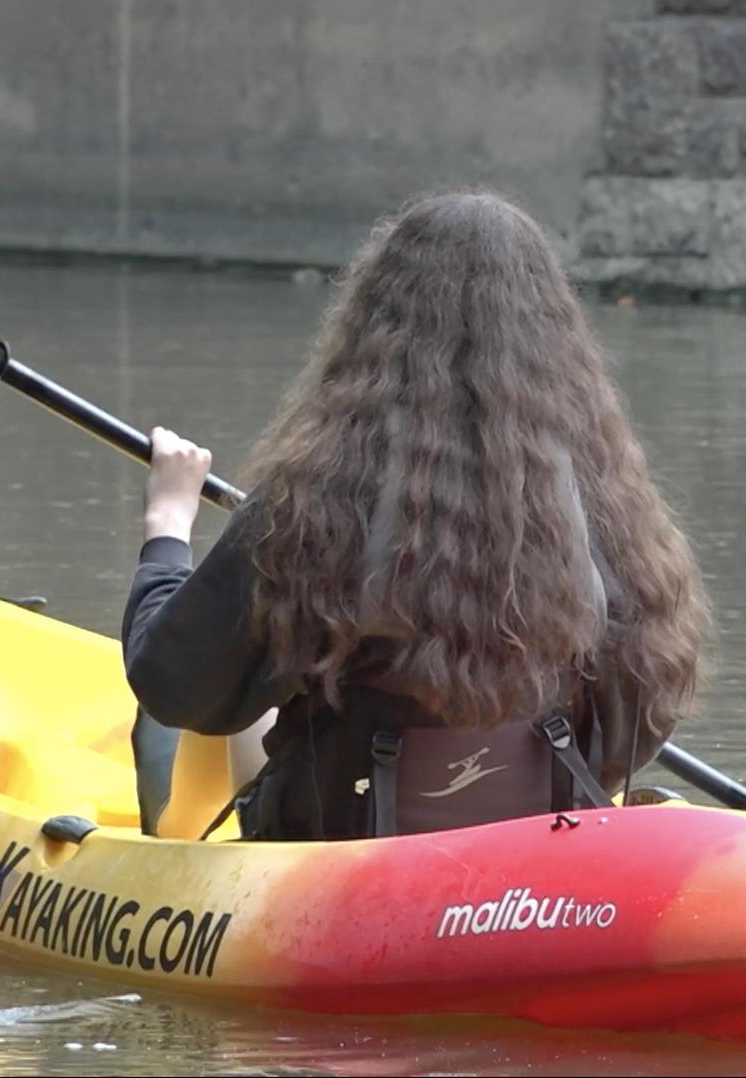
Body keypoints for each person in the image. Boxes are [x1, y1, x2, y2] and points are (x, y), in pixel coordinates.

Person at [122, 188, 710, 842]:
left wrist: (167, 529)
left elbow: (173, 686)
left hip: (339, 853)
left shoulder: (312, 498)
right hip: (542, 858)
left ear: (375, 325)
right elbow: (643, 720)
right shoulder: (608, 499)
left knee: (257, 694)